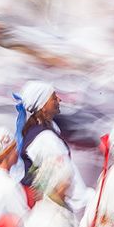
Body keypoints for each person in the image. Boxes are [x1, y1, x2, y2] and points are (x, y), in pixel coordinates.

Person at [13, 80, 91, 216]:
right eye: (54, 98)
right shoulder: (45, 139)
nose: (59, 99)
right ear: (43, 106)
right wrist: (87, 200)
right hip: (49, 211)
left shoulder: (43, 130)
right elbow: (65, 175)